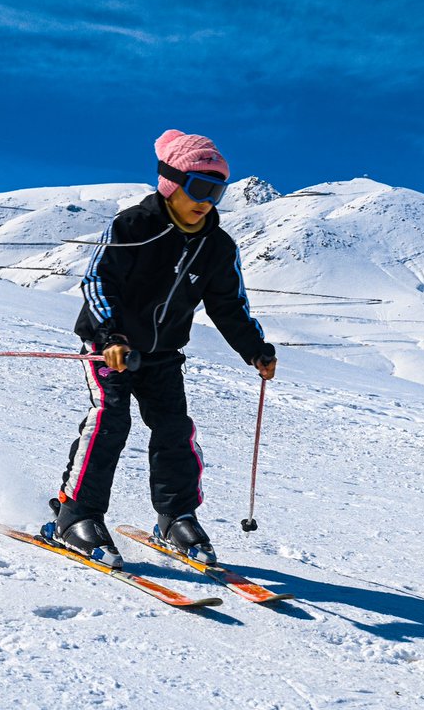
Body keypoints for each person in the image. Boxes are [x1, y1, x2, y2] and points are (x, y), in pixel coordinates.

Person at [50, 129, 276, 568]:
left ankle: (175, 516)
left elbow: (229, 306)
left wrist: (255, 350)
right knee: (109, 421)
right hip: (109, 346)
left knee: (174, 429)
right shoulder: (134, 225)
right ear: (171, 184)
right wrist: (111, 335)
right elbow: (98, 281)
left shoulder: (217, 246)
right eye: (199, 188)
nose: (207, 200)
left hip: (164, 354)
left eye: (217, 190)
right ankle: (76, 515)